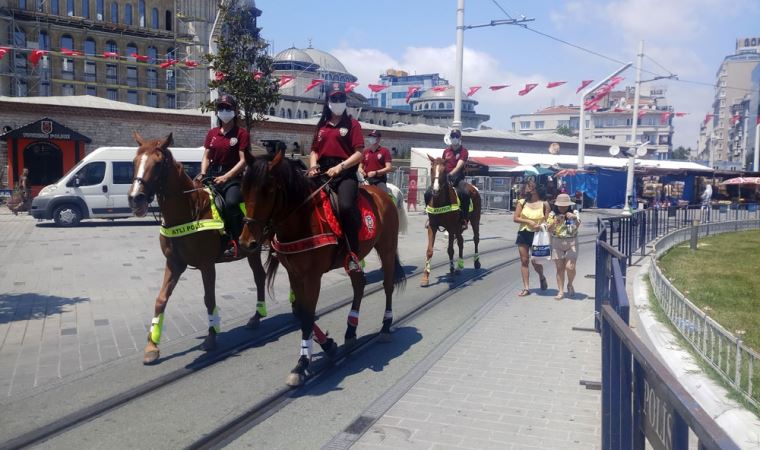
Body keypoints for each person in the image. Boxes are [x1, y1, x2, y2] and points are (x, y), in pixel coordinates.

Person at [307, 87, 364, 273]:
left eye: (341, 97)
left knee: (346, 207)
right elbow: (314, 150)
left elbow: (359, 154)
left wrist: (340, 167)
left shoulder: (353, 124)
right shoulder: (321, 125)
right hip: (322, 172)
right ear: (328, 101)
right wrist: (313, 166)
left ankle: (353, 254)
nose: (338, 101)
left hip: (344, 174)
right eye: (334, 98)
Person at [197, 94, 249, 258]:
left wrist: (226, 177)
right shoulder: (212, 133)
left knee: (231, 204)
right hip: (212, 175)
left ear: (235, 111)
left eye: (227, 108)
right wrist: (203, 173)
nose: (224, 111)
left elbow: (244, 160)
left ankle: (237, 242)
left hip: (232, 179)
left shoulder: (241, 133)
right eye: (221, 108)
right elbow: (206, 156)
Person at [424, 129, 470, 231]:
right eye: (453, 136)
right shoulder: (446, 151)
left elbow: (459, 166)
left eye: (456, 136)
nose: (454, 138)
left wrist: (450, 174)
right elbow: (442, 164)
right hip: (445, 178)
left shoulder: (464, 151)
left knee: (464, 193)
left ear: (460, 138)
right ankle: (430, 216)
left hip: (457, 178)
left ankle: (464, 219)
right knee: (427, 193)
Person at [513, 178, 550, 297]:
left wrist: (543, 225)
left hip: (537, 235)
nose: (528, 189)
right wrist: (528, 221)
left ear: (536, 189)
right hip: (524, 233)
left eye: (531, 187)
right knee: (524, 261)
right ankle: (526, 288)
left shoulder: (545, 204)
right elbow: (516, 218)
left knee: (535, 261)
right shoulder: (522, 202)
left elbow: (548, 220)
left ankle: (541, 276)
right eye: (528, 187)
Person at [546, 193, 581, 300]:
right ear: (557, 205)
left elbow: (578, 225)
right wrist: (555, 222)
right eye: (560, 206)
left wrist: (574, 218)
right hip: (557, 242)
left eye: (565, 205)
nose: (562, 208)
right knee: (560, 268)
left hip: (572, 242)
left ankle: (570, 284)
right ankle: (560, 291)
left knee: (570, 267)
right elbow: (549, 229)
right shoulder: (552, 214)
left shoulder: (574, 212)